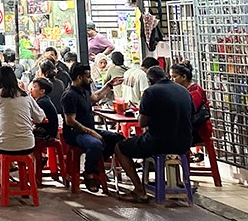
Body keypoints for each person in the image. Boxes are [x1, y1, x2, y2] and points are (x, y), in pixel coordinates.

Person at [114, 66, 195, 202]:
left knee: (120, 147)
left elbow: (142, 123)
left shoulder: (150, 92)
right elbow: (191, 116)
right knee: (144, 144)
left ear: (150, 80)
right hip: (184, 143)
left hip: (159, 142)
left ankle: (139, 191)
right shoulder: (184, 91)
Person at [62, 63, 124, 192]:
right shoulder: (69, 95)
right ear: (79, 77)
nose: (90, 80)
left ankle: (95, 164)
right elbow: (70, 121)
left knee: (117, 138)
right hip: (75, 133)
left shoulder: (84, 90)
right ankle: (89, 173)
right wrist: (91, 132)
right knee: (95, 144)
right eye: (88, 76)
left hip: (89, 130)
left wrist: (109, 86)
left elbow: (95, 98)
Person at [0, 65, 45, 156]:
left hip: (3, 145)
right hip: (27, 145)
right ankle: (14, 166)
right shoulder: (25, 95)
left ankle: (2, 166)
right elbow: (40, 117)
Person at [170, 62, 213, 144]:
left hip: (199, 128)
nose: (171, 80)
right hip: (191, 126)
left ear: (184, 77)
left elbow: (190, 110)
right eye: (171, 77)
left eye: (174, 77)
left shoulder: (195, 91)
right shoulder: (183, 90)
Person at [29, 77, 59, 142]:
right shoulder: (45, 99)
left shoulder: (42, 102)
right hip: (51, 131)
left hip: (47, 133)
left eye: (34, 87)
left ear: (42, 91)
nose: (31, 89)